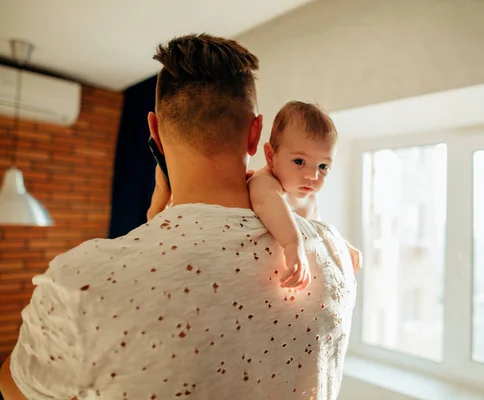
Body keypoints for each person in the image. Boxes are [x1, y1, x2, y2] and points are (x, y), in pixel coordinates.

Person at [0, 33, 357, 400]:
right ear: (255, 136)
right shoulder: (336, 253)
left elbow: (15, 390)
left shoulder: (80, 281)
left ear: (154, 133)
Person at [248, 101, 362, 291]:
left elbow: (316, 227)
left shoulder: (309, 196)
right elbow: (269, 204)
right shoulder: (265, 182)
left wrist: (340, 245)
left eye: (323, 166)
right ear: (270, 156)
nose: (313, 175)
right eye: (300, 161)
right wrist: (293, 246)